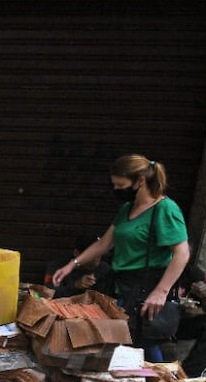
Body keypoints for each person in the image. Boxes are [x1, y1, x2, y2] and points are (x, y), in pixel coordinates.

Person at [52, 154, 190, 360]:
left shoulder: (164, 209)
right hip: (122, 286)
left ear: (140, 181)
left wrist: (161, 292)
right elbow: (105, 243)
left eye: (121, 185)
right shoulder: (127, 209)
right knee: (125, 343)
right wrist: (72, 265)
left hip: (146, 288)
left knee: (140, 345)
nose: (116, 190)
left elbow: (182, 253)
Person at [47, 234, 112, 298]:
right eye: (91, 254)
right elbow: (49, 294)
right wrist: (76, 286)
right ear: (76, 253)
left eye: (98, 253)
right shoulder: (58, 267)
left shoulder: (105, 270)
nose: (97, 257)